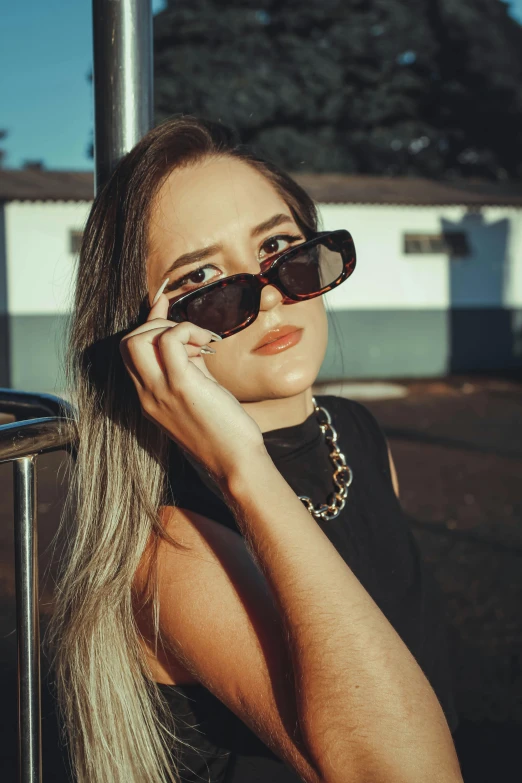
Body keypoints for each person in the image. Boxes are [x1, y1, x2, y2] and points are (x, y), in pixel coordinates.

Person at [47, 115, 463, 783]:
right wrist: (245, 467)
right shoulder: (174, 546)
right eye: (202, 279)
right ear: (144, 337)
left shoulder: (356, 434)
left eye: (280, 245)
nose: (270, 294)